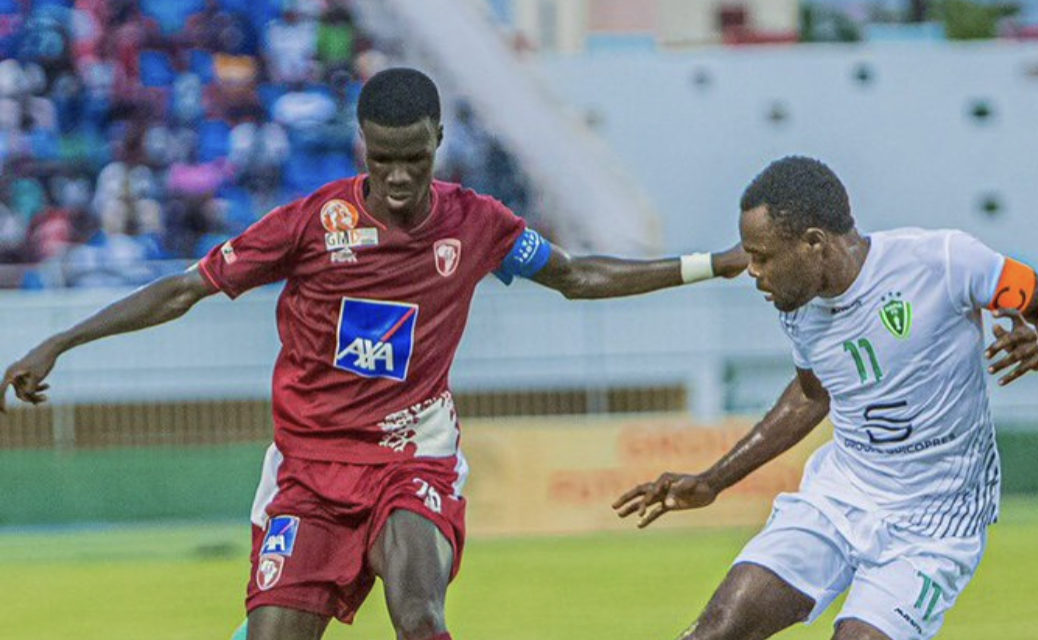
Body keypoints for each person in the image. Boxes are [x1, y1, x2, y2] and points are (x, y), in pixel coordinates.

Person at [0, 67, 747, 640]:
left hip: (410, 457)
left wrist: (705, 264)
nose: (397, 178)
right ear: (364, 145)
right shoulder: (310, 223)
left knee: (418, 613)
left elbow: (577, 275)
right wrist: (63, 341)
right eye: (383, 158)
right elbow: (185, 289)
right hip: (309, 472)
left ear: (437, 143)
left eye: (413, 159)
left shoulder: (476, 223)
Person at [614, 156, 1038, 640]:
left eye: (762, 256)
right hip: (838, 499)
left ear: (814, 243)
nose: (752, 271)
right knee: (716, 631)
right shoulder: (798, 307)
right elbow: (812, 396)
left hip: (936, 521)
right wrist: (713, 481)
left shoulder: (943, 261)